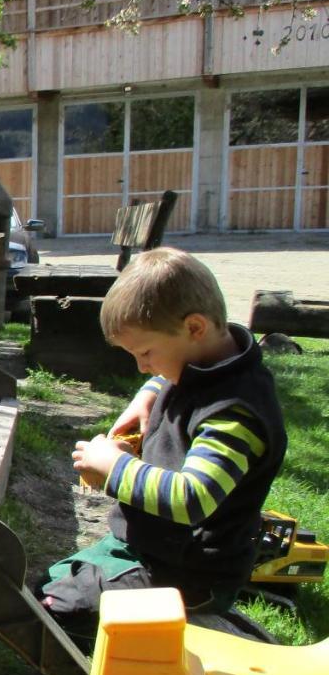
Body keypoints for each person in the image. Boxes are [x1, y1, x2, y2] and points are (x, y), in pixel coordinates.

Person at [39, 248, 287, 635]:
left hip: (190, 573)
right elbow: (177, 374)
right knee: (48, 585)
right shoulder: (201, 363)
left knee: (56, 612)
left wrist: (114, 469)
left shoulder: (233, 413)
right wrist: (149, 393)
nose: (142, 367)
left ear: (194, 327)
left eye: (146, 353)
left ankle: (208, 625)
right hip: (157, 549)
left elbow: (192, 498)